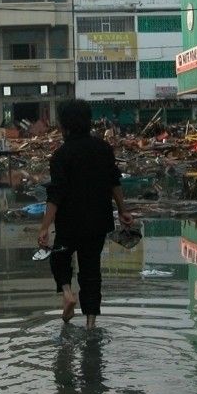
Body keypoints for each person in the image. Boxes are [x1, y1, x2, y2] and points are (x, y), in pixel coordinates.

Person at [37, 99, 133, 329]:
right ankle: (90, 323)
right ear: (88, 121)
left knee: (59, 258)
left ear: (64, 125)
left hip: (70, 223)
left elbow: (56, 194)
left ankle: (68, 294)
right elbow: (114, 181)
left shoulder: (60, 156)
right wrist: (122, 210)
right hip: (98, 222)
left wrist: (44, 226)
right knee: (91, 271)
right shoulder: (103, 149)